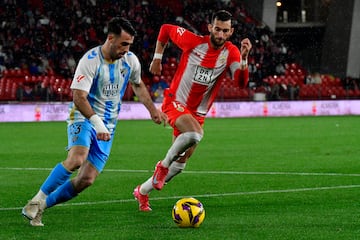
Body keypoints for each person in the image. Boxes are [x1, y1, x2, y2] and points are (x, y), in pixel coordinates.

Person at [22, 17, 167, 226]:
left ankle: (40, 207)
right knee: (77, 158)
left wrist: (153, 110)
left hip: (109, 126)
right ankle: (37, 199)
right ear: (110, 39)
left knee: (86, 180)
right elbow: (78, 97)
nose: (127, 49)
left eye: (130, 45)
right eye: (123, 44)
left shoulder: (130, 61)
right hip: (84, 116)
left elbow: (138, 85)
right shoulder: (90, 60)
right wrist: (97, 123)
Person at [133, 10, 252, 211]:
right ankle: (161, 167)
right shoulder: (193, 41)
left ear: (230, 32)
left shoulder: (230, 52)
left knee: (180, 164)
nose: (220, 35)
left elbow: (241, 83)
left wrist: (244, 59)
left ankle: (142, 192)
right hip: (175, 102)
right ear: (210, 28)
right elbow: (166, 30)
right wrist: (157, 58)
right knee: (195, 134)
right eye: (217, 29)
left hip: (197, 113)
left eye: (225, 31)